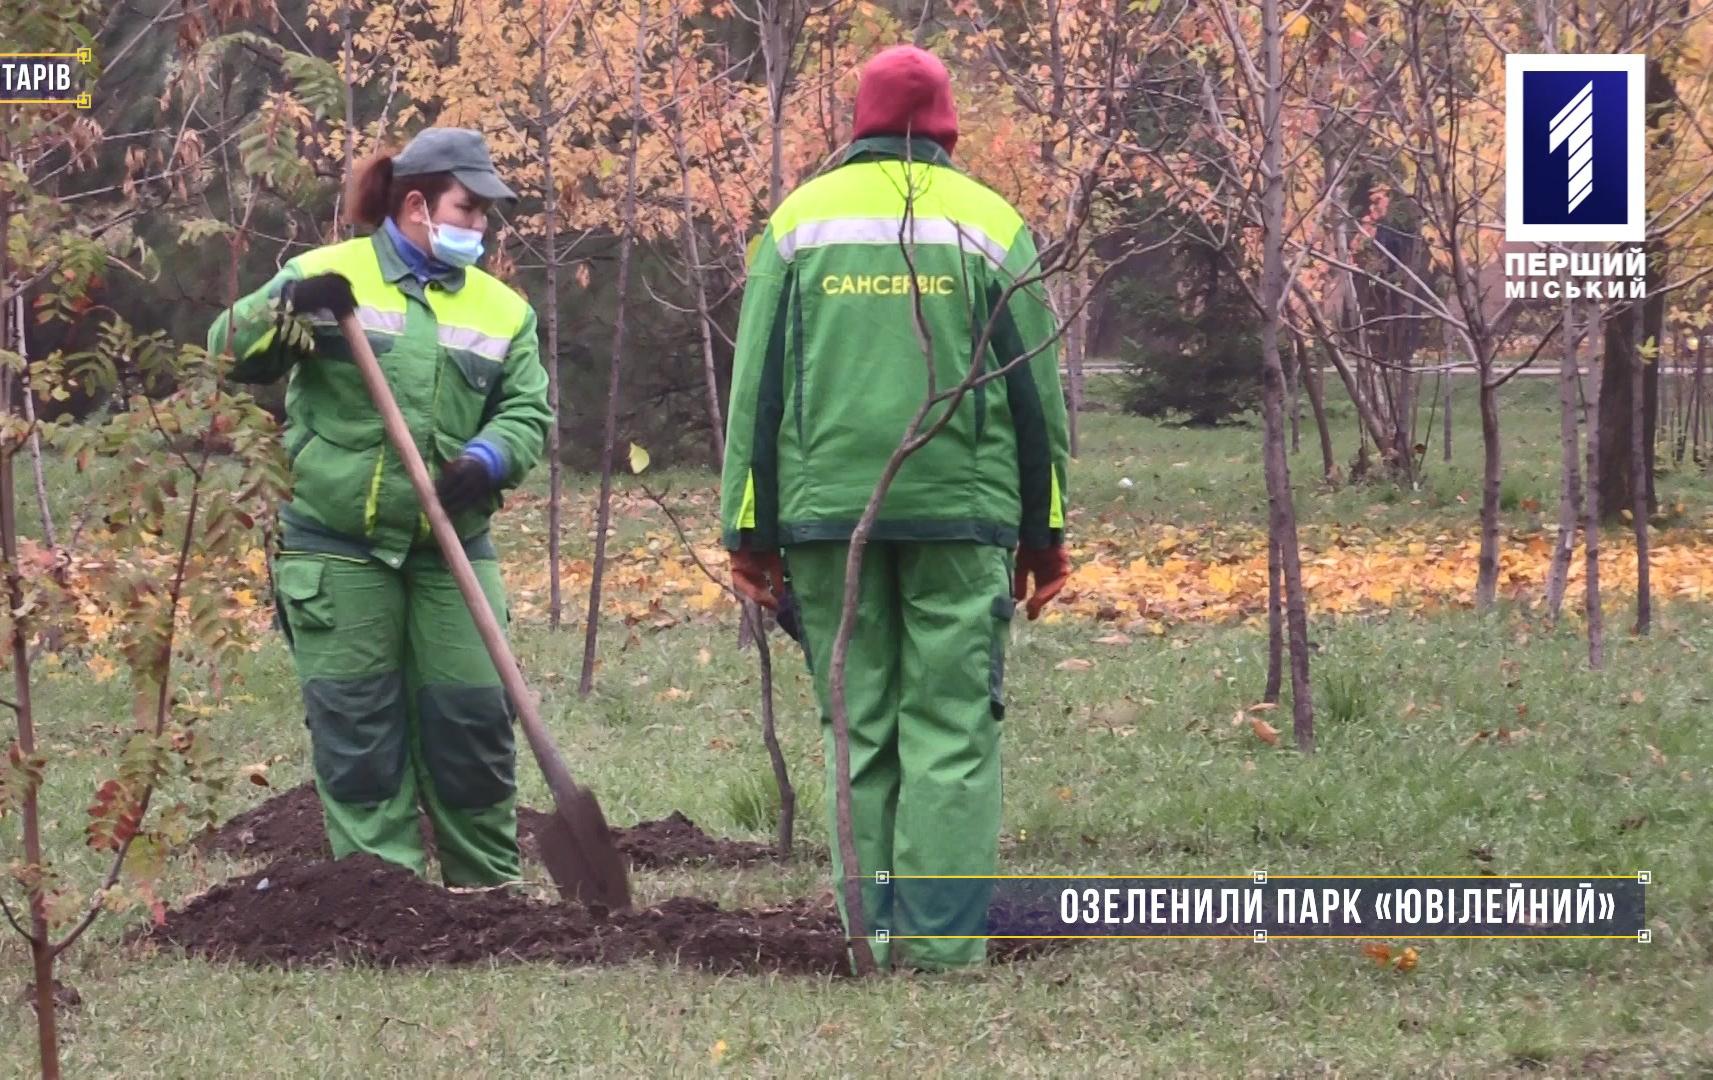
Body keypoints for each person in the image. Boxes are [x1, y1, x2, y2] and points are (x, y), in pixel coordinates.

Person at [720, 45, 1072, 971]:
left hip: (827, 517)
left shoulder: (795, 225)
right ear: (947, 125)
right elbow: (1036, 398)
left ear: (859, 123)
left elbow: (755, 390)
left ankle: (866, 938)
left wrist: (747, 532)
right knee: (952, 726)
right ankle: (942, 946)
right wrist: (1046, 535)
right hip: (962, 518)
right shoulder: (995, 225)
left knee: (856, 721)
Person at [209, 128, 551, 887]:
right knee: (358, 727)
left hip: (451, 545)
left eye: (486, 215)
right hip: (336, 546)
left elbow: (528, 411)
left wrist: (489, 457)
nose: (479, 228)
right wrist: (284, 305)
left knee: (473, 719)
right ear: (419, 204)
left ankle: (488, 890)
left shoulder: (503, 311)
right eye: (468, 209)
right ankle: (380, 894)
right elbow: (226, 352)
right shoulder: (328, 273)